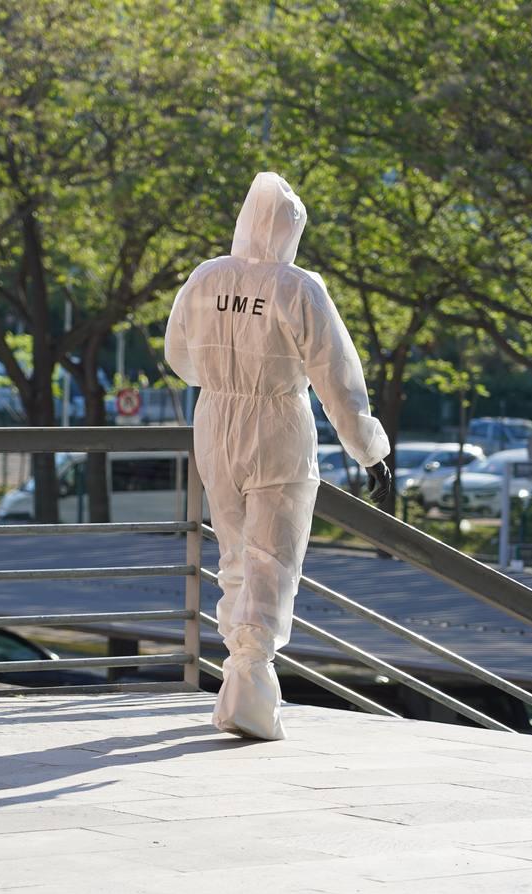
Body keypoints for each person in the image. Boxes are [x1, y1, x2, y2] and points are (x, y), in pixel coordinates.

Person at [165, 171, 391, 741]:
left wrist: (221, 378)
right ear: (293, 229)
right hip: (277, 425)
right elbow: (337, 378)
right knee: (273, 558)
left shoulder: (206, 278)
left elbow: (180, 357)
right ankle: (250, 686)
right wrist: (369, 449)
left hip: (214, 422)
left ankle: (238, 684)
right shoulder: (299, 288)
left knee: (236, 555)